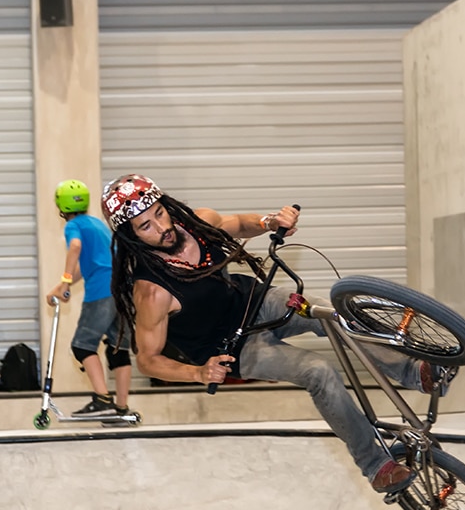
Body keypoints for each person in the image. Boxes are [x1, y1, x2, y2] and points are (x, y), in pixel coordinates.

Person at [104, 173, 446, 493]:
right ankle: (375, 465)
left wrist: (270, 221)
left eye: (160, 213)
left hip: (257, 301)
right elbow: (148, 360)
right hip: (234, 348)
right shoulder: (152, 291)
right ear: (132, 236)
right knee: (318, 371)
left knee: (326, 312)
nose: (162, 227)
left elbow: (238, 223)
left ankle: (414, 372)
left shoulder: (197, 224)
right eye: (146, 226)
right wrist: (198, 372)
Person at [44, 179, 136, 418]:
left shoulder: (73, 226)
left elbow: (74, 247)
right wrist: (59, 287)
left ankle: (103, 399)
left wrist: (65, 280)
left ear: (61, 206)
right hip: (122, 291)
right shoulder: (97, 224)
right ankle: (121, 408)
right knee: (118, 350)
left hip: (101, 291)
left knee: (82, 345)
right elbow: (92, 265)